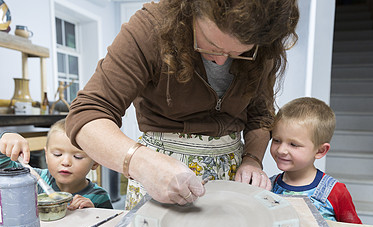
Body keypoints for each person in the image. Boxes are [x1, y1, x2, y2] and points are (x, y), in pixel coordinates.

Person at [65, 0, 299, 209]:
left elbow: (260, 116)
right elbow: (87, 114)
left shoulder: (264, 45)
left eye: (238, 52)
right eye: (211, 46)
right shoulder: (150, 28)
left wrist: (252, 159)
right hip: (157, 173)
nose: (221, 60)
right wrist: (141, 163)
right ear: (191, 7)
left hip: (230, 174)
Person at [269, 97, 362, 224]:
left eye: (293, 144)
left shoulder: (336, 192)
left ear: (320, 151)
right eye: (276, 140)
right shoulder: (268, 186)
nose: (281, 150)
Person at [0, 119, 113, 210]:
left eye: (77, 157)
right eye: (57, 154)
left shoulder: (99, 196)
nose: (65, 162)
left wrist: (93, 213)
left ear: (95, 162)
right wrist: (5, 138)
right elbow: (3, 166)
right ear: (46, 155)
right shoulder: (34, 178)